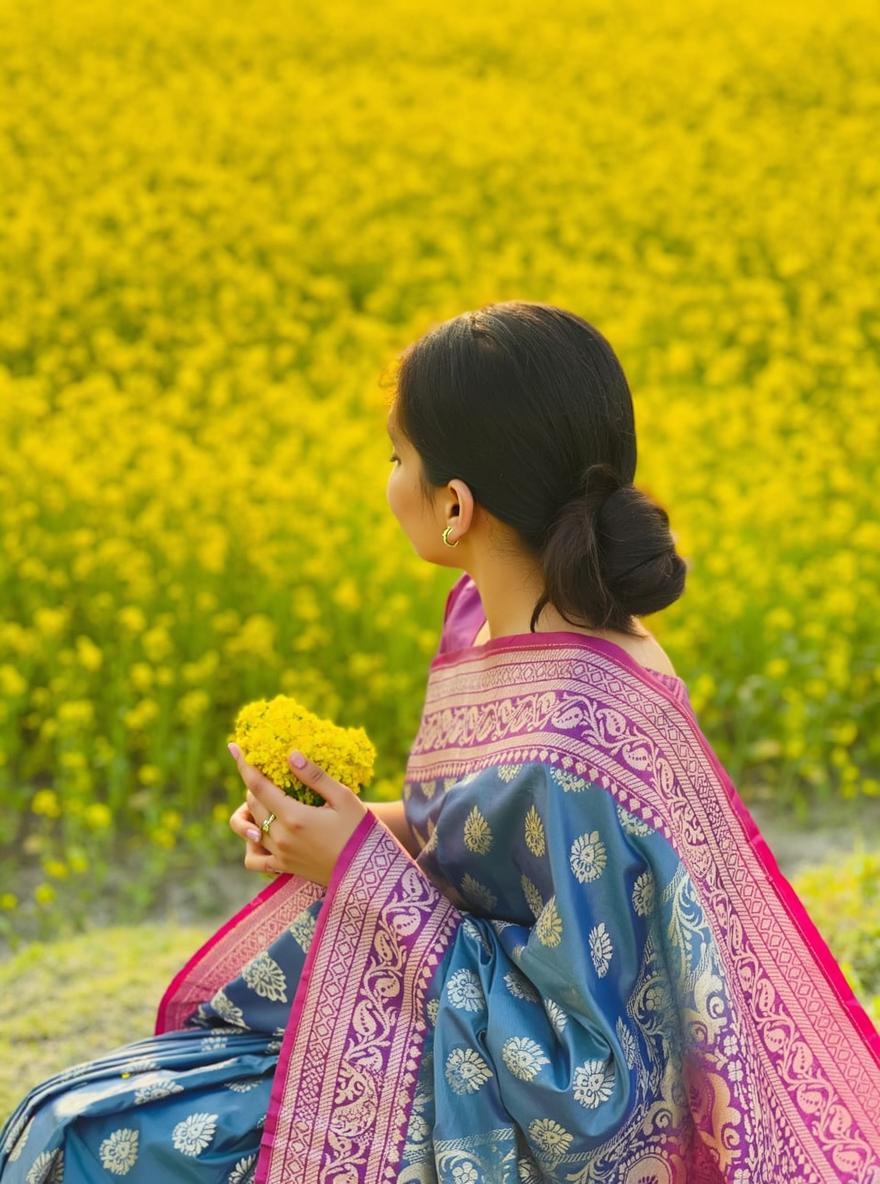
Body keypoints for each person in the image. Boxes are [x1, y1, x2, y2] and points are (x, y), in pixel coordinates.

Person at [2, 301, 878, 1183]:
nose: (389, 479)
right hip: (449, 1032)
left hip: (511, 1120)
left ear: (456, 505)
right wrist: (347, 833)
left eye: (398, 457)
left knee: (91, 1147)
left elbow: (593, 1092)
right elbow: (483, 841)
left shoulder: (577, 728)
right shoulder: (489, 623)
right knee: (64, 1113)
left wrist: (363, 874)